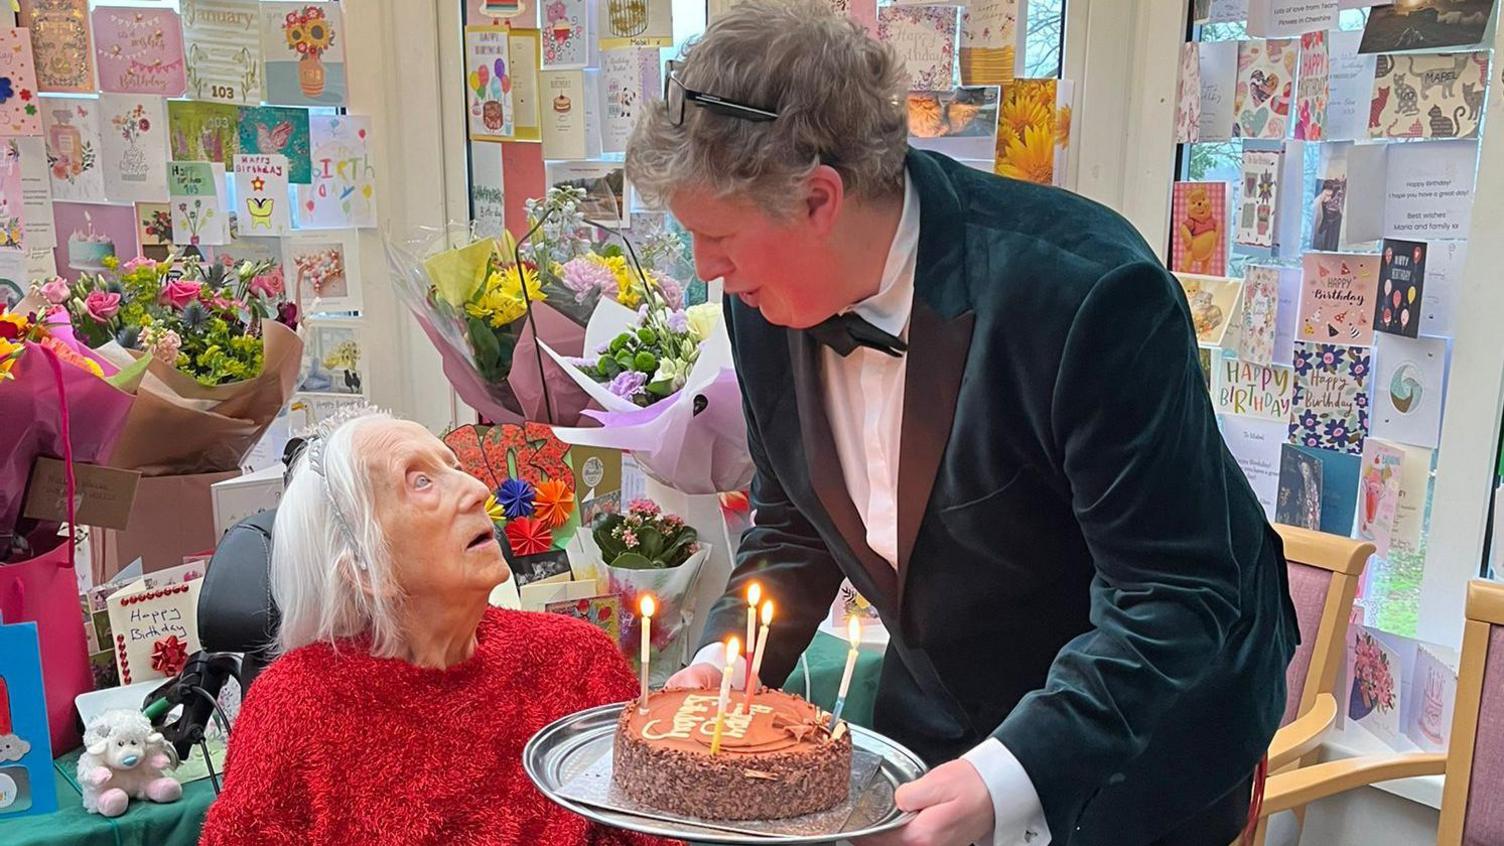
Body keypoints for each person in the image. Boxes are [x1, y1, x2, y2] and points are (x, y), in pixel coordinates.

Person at [625, 3, 1298, 846]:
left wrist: (1017, 770)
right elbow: (795, 521)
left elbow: (1172, 595)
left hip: (1144, 732)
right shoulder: (763, 307)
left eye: (715, 235)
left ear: (819, 199)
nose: (706, 268)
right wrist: (732, 658)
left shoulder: (1086, 295)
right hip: (946, 698)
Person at [199, 411, 679, 846]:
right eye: (422, 481)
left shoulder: (574, 658)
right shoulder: (295, 706)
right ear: (367, 569)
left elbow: (653, 832)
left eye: (454, 467)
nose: (477, 490)